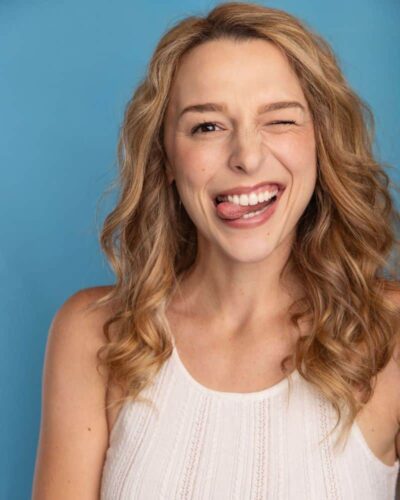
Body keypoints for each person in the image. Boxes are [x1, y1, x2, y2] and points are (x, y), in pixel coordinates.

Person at [32, 2, 400, 499]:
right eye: (207, 126)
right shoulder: (95, 334)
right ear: (166, 158)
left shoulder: (391, 334)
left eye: (280, 120)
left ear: (321, 141)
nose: (246, 156)